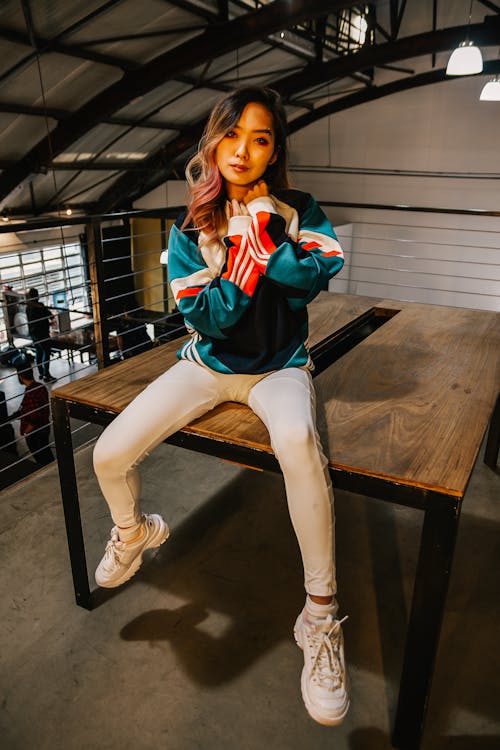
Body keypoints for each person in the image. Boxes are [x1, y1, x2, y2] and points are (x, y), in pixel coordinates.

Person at [93, 86, 348, 726]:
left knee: (298, 445)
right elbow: (208, 317)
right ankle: (134, 533)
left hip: (279, 369)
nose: (243, 149)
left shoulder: (296, 209)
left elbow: (319, 273)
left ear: (273, 151)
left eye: (260, 138)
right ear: (212, 143)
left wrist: (265, 235)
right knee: (107, 453)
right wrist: (242, 256)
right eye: (232, 135)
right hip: (208, 365)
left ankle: (319, 616)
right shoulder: (188, 232)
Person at [13, 356, 54, 466]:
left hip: (35, 432)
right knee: (46, 454)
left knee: (41, 459)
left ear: (20, 377)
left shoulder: (30, 394)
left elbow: (34, 417)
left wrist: (27, 431)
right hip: (44, 427)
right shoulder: (40, 387)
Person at [26, 288, 56, 383]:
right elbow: (50, 316)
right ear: (37, 296)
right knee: (46, 353)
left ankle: (41, 373)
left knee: (39, 352)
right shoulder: (40, 306)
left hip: (33, 334)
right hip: (42, 334)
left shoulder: (28, 307)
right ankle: (47, 375)